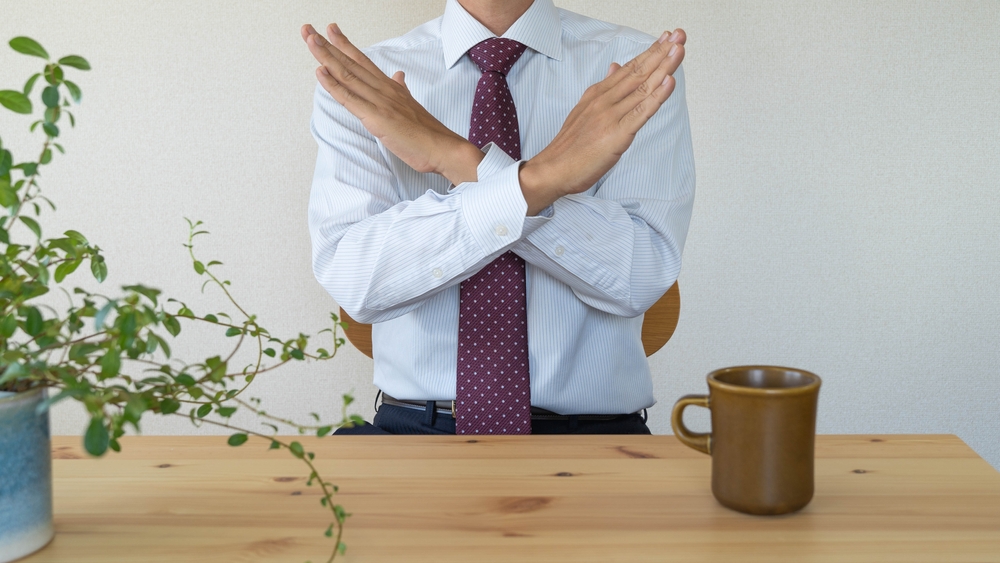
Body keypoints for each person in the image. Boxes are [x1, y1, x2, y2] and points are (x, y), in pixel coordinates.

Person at [303, 0, 693, 435]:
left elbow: (641, 274)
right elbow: (357, 282)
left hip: (597, 441)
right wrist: (543, 180)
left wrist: (462, 163)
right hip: (412, 435)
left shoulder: (635, 75)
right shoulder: (367, 83)